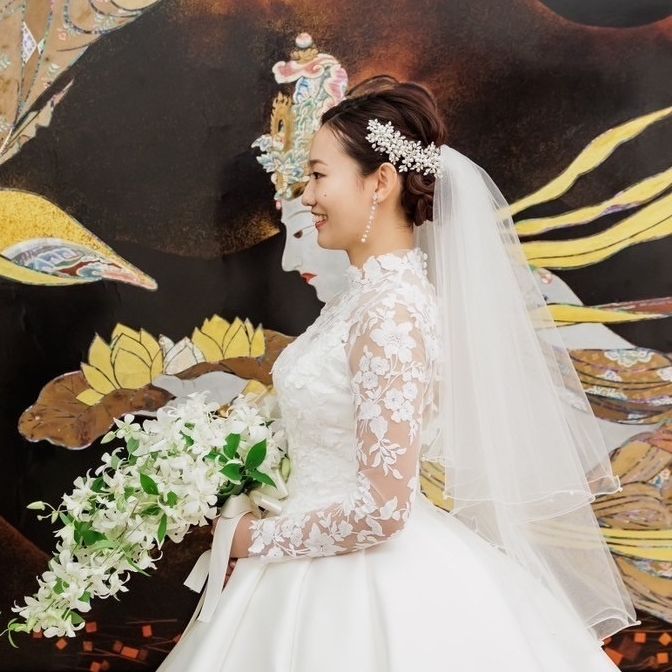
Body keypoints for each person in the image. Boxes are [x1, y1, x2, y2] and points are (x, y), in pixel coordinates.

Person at [157, 80, 639, 671]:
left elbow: (384, 509)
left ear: (380, 182)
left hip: (353, 581)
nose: (307, 195)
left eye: (318, 175)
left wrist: (251, 539)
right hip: (312, 557)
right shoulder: (361, 300)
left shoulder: (391, 312)